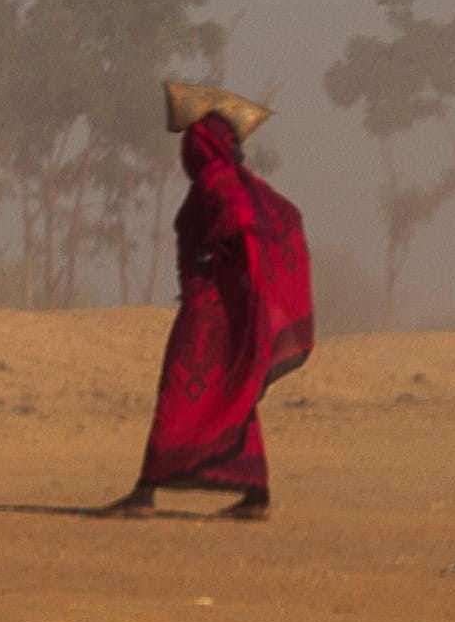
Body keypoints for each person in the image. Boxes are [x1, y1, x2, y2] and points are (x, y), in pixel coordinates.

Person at [100, 81, 316, 521]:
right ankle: (255, 495)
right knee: (232, 393)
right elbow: (281, 217)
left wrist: (214, 254)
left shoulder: (218, 182)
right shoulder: (239, 182)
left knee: (179, 393)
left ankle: (146, 490)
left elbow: (242, 220)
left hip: (209, 313)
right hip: (224, 308)